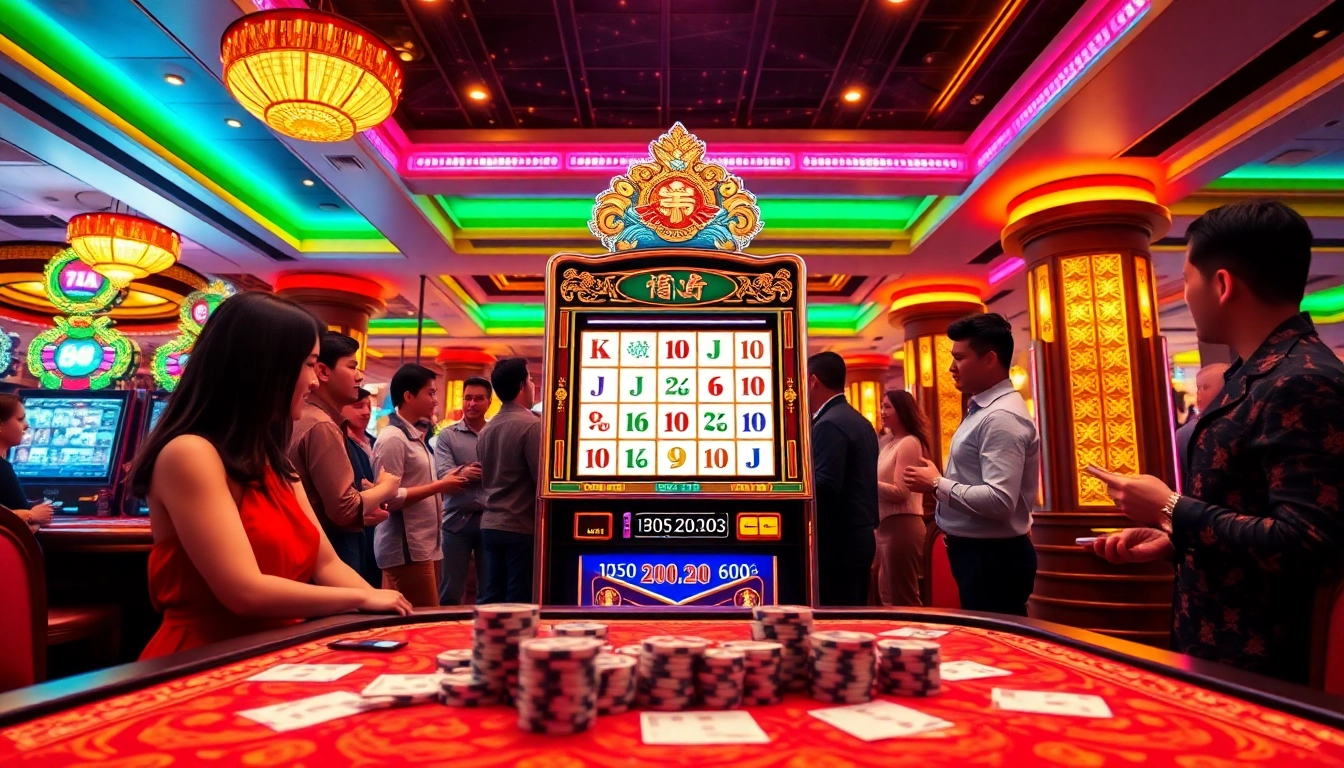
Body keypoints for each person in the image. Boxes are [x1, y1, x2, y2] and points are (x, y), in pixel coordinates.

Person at [1087, 200, 1344, 684]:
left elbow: (1308, 543)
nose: (1183, 294)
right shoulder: (1255, 374)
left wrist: (1170, 507)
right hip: (1217, 643)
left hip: (1267, 662)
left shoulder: (1301, 381)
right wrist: (1174, 540)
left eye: (1186, 280)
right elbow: (1249, 510)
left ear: (1223, 285)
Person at [128, 292, 411, 659]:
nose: (314, 380)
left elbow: (326, 565)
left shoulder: (274, 461)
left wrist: (378, 614)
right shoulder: (190, 454)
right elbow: (243, 592)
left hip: (276, 651)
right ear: (265, 367)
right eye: (309, 365)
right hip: (203, 659)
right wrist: (362, 597)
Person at [905, 313, 1040, 617]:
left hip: (993, 558)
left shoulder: (1001, 418)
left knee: (997, 649)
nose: (951, 368)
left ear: (990, 359)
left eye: (959, 358)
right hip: (980, 554)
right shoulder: (983, 409)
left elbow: (999, 500)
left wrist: (937, 484)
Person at [289, 332, 399, 580]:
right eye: (351, 367)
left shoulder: (309, 419)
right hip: (326, 548)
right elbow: (343, 509)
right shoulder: (321, 425)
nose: (359, 376)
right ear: (323, 372)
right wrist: (386, 488)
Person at [373, 364, 468, 608]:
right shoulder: (393, 438)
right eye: (431, 393)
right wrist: (439, 486)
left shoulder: (413, 436)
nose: (436, 400)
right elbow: (388, 499)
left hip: (424, 545)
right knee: (425, 616)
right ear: (408, 396)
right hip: (406, 548)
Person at [808, 352, 879, 606]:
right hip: (859, 534)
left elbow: (826, 485)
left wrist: (794, 487)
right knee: (853, 614)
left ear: (813, 381)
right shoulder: (858, 419)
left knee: (837, 618)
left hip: (839, 540)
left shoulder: (829, 423)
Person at [477, 358, 542, 603]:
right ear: (521, 385)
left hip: (490, 523)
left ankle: (488, 640)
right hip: (520, 525)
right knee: (518, 599)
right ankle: (516, 642)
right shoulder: (531, 426)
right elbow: (540, 481)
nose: (533, 383)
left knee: (492, 595)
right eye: (530, 378)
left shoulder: (487, 429)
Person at [435, 376, 489, 605]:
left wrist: (465, 471)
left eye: (478, 399)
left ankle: (490, 635)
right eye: (468, 398)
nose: (471, 404)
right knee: (450, 589)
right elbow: (444, 476)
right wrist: (468, 472)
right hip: (456, 520)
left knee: (489, 589)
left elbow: (504, 474)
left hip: (490, 520)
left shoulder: (494, 433)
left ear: (489, 401)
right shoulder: (448, 436)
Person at [876, 390, 930, 607]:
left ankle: (916, 639)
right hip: (887, 525)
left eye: (888, 406)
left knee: (903, 596)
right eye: (882, 406)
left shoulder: (909, 442)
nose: (882, 411)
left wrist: (864, 483)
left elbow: (901, 492)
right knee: (887, 594)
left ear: (903, 410)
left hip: (903, 525)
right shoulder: (889, 442)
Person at [340, 387, 383, 587]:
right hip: (354, 523)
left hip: (378, 524)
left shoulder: (374, 442)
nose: (366, 412)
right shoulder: (342, 443)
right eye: (358, 406)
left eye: (368, 406)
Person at [0, 394, 53, 532]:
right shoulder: (2, 469)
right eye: (20, 419)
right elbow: (16, 532)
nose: (27, 425)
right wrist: (32, 517)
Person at [1174, 362, 1229, 476]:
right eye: (1198, 388)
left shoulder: (1189, 432)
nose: (1198, 394)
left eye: (1204, 387)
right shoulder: (1187, 432)